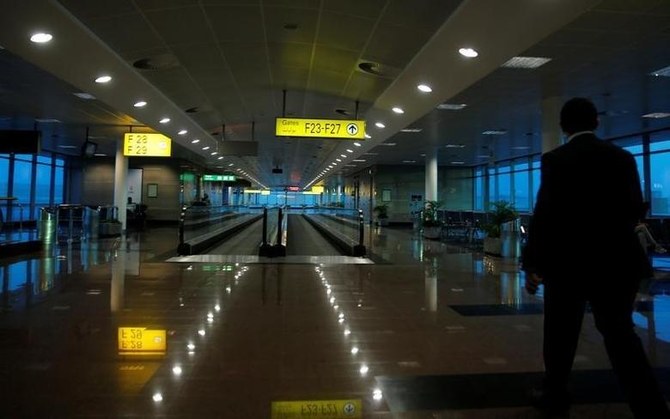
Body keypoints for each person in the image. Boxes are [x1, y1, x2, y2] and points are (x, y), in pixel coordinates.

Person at [522, 97, 670, 418]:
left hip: (568, 264)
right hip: (617, 263)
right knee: (620, 334)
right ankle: (649, 405)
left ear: (563, 127)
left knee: (561, 332)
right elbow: (634, 208)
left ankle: (555, 394)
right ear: (597, 123)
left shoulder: (556, 160)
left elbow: (545, 214)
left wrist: (532, 263)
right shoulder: (622, 158)